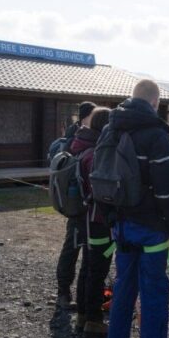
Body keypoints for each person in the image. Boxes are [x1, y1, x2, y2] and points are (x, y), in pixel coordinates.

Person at [104, 79, 169, 338]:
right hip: (151, 229)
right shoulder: (157, 136)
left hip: (121, 225)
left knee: (123, 287)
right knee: (154, 294)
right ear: (155, 104)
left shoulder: (111, 130)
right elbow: (168, 191)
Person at [69, 107, 114, 336]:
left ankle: (84, 316)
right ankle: (94, 319)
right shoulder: (96, 153)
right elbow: (101, 190)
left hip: (85, 218)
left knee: (88, 266)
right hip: (97, 219)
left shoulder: (81, 147)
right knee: (97, 268)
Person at [55, 101, 96, 310]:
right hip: (78, 205)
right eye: (93, 115)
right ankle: (63, 291)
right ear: (84, 118)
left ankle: (84, 296)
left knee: (88, 251)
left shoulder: (81, 137)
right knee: (72, 248)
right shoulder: (77, 139)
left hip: (83, 205)